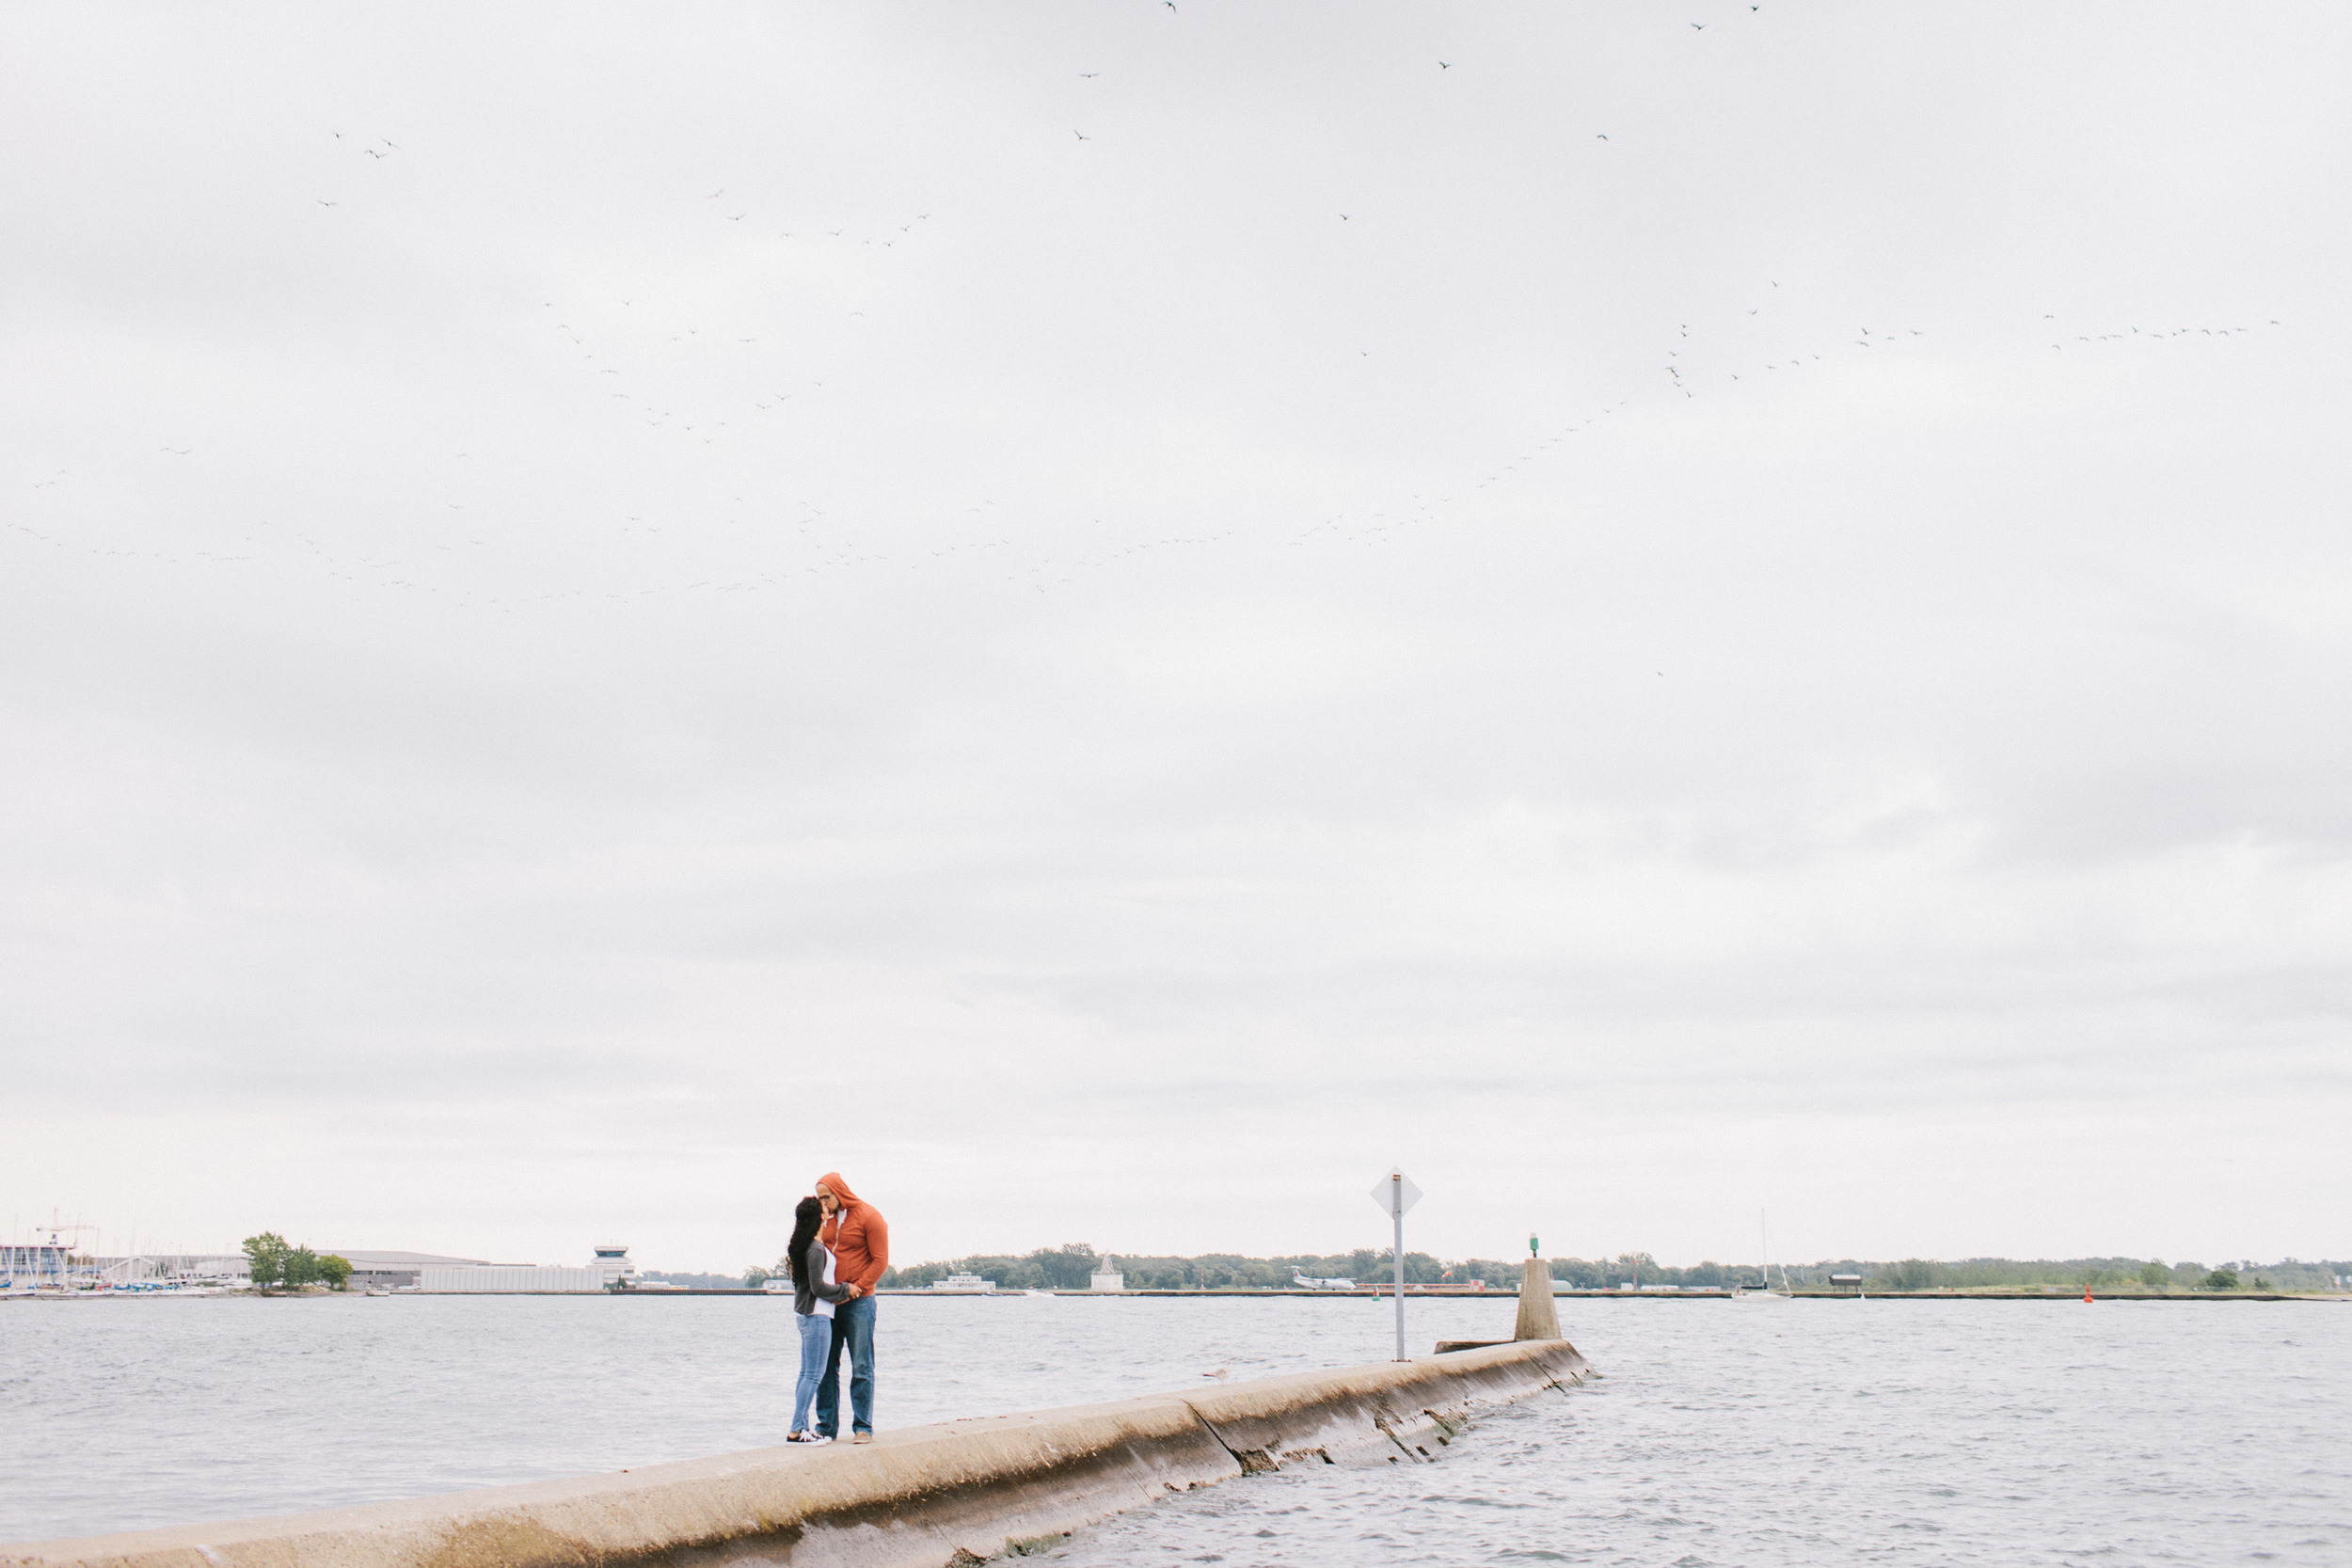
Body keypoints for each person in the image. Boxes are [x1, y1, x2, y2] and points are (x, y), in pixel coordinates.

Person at [814, 1170, 887, 1443]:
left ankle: (863, 1427)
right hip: (829, 1301)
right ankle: (826, 1427)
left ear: (839, 1192)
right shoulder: (824, 1220)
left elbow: (880, 1261)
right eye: (819, 1198)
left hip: (860, 1302)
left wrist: (857, 1287)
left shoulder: (870, 1216)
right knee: (825, 1366)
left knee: (862, 1365)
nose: (823, 1202)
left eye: (826, 1197)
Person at [783, 1195, 852, 1443]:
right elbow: (819, 1288)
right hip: (817, 1316)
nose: (827, 1206)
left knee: (807, 1373)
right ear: (819, 1216)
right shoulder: (814, 1249)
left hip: (812, 1316)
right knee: (813, 1374)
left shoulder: (811, 1246)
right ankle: (796, 1429)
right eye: (823, 1205)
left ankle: (801, 1426)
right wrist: (846, 1289)